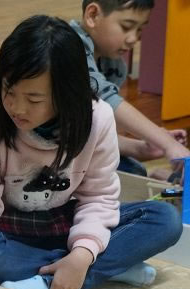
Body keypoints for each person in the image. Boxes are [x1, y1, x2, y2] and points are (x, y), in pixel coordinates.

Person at [0, 15, 182, 289]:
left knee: (165, 219)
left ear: (65, 94)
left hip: (64, 221)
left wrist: (82, 253)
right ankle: (105, 269)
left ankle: (53, 278)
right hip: (4, 224)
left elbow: (98, 199)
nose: (16, 107)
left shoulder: (97, 118)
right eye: (8, 90)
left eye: (34, 99)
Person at [70, 0, 188, 180]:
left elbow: (94, 135)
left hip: (74, 149)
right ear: (93, 15)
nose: (134, 38)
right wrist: (166, 143)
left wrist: (142, 148)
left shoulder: (113, 63)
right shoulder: (70, 49)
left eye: (140, 29)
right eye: (126, 26)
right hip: (42, 158)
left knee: (136, 170)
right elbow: (106, 99)